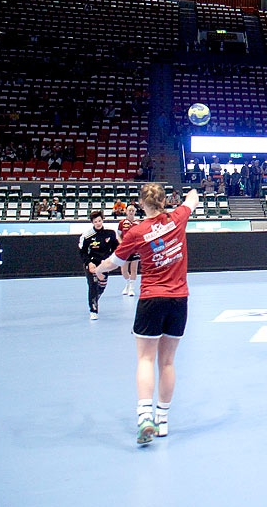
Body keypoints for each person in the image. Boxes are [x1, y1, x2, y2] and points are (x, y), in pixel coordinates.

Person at [91, 184, 200, 444]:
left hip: (151, 299)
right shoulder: (178, 217)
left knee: (145, 360)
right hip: (178, 300)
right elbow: (193, 199)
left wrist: (98, 271)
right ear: (164, 201)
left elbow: (113, 262)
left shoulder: (137, 232)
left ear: (142, 204)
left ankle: (144, 417)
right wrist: (190, 191)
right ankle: (163, 421)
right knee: (168, 362)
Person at [78, 211, 119, 320]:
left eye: (99, 221)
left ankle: (95, 298)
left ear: (102, 220)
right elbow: (83, 252)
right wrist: (88, 263)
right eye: (95, 222)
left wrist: (109, 259)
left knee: (101, 287)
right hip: (92, 264)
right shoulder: (87, 236)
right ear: (92, 223)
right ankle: (93, 310)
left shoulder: (110, 233)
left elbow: (116, 248)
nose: (98, 223)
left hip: (104, 264)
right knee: (93, 285)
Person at [117, 204, 140, 296]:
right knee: (124, 270)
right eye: (129, 210)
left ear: (135, 212)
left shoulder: (138, 222)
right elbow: (118, 235)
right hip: (125, 249)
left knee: (133, 269)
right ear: (126, 212)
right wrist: (122, 243)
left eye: (132, 210)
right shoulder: (122, 223)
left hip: (135, 249)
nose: (131, 212)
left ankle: (131, 288)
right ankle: (127, 283)